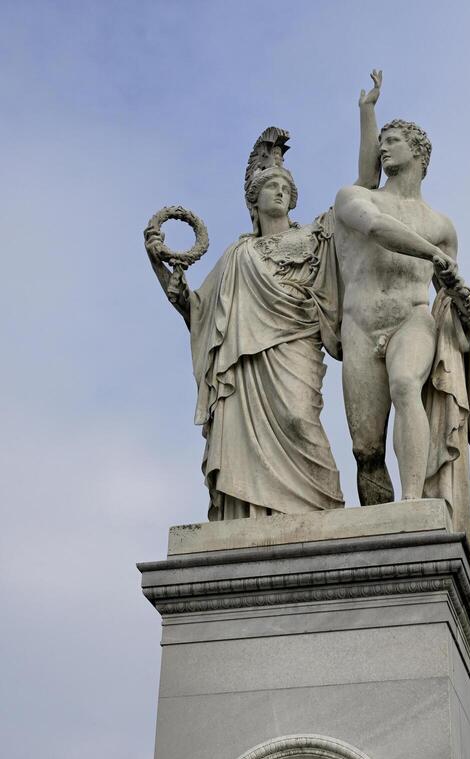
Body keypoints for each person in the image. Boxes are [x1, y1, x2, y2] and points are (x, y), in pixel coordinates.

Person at [145, 73, 383, 520]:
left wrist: (366, 112)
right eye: (270, 187)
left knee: (299, 419)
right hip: (248, 363)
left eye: (285, 187)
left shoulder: (318, 233)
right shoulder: (239, 255)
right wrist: (159, 264)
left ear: (293, 199)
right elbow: (197, 312)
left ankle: (324, 512)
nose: (279, 190)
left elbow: (366, 182)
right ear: (254, 202)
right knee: (245, 428)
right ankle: (254, 514)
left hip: (296, 344)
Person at [334, 116, 470, 549]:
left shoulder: (442, 225)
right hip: (359, 325)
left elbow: (456, 296)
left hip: (413, 317)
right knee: (366, 450)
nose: (383, 148)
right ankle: (376, 535)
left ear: (418, 153)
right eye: (381, 141)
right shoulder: (354, 197)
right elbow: (375, 228)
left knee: (407, 384)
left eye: (392, 141)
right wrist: (432, 254)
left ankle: (412, 504)